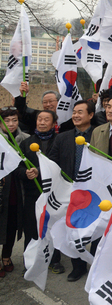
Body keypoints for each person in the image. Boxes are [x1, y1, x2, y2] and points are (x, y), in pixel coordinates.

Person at [48, 100, 96, 282]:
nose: (75, 115)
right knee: (74, 230)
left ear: (90, 115)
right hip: (70, 192)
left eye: (80, 112)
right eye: (74, 112)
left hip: (93, 192)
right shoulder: (62, 138)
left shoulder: (99, 135)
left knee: (95, 230)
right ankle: (78, 267)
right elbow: (52, 162)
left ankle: (96, 265)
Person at [17, 110, 64, 273]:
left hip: (53, 193)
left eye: (46, 119)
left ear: (53, 123)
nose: (42, 122)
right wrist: (25, 173)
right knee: (31, 228)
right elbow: (18, 167)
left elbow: (61, 165)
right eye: (39, 119)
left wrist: (40, 170)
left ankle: (54, 260)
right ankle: (30, 262)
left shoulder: (60, 141)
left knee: (53, 227)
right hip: (32, 194)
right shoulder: (26, 142)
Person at [0, 107, 29, 277]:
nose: (10, 124)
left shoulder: (25, 139)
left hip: (17, 189)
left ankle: (6, 256)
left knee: (12, 224)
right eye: (6, 120)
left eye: (14, 120)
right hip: (1, 187)